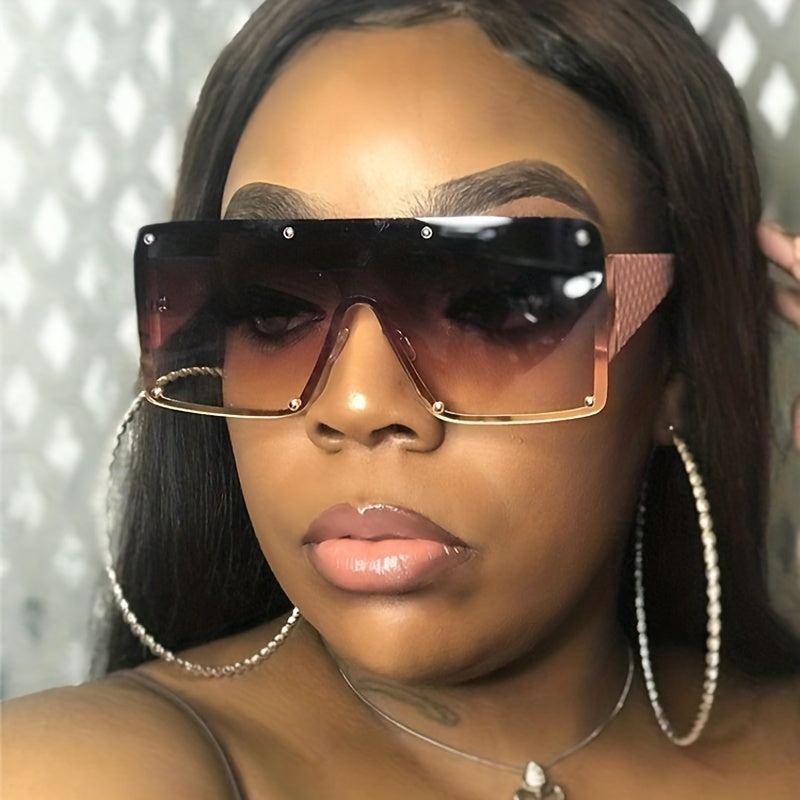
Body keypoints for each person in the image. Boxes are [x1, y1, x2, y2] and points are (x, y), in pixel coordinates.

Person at [3, 1, 800, 797]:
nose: (355, 405)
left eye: (493, 300)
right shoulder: (83, 770)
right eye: (272, 307)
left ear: (676, 355)